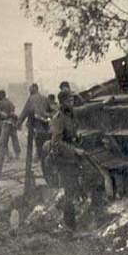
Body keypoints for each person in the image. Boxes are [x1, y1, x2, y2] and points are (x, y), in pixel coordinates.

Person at [50, 90, 85, 231]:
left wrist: (78, 138)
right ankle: (69, 228)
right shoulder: (59, 118)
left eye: (72, 101)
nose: (72, 103)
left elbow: (70, 135)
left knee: (73, 190)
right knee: (69, 192)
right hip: (64, 161)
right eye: (69, 101)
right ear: (63, 102)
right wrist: (75, 150)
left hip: (71, 160)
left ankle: (71, 224)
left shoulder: (69, 116)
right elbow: (56, 142)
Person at [17, 83, 52, 160]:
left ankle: (37, 155)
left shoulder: (31, 98)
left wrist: (19, 123)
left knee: (37, 140)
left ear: (35, 89)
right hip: (44, 123)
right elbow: (50, 110)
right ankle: (44, 155)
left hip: (34, 123)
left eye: (30, 89)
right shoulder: (45, 98)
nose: (29, 90)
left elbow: (25, 112)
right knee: (44, 139)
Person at [0, 90, 21, 159]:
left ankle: (8, 155)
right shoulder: (10, 102)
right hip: (12, 123)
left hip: (5, 123)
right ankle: (17, 154)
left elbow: (0, 115)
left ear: (1, 95)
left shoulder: (0, 104)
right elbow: (13, 110)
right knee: (14, 139)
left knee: (4, 140)